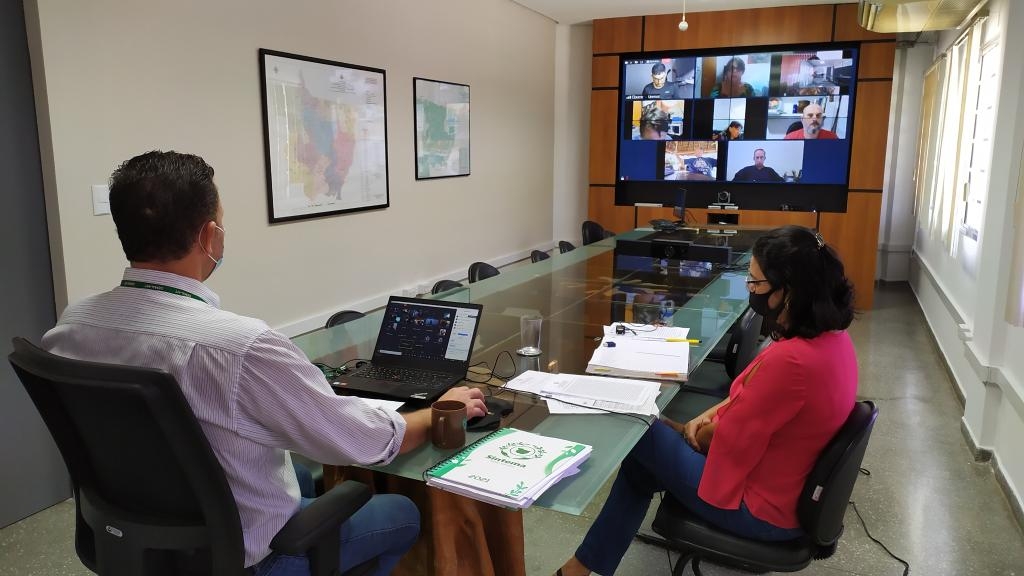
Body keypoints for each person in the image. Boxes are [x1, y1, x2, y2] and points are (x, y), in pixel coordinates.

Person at [41, 151, 488, 576]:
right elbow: (361, 441)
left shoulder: (71, 326)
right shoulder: (242, 348)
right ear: (209, 236)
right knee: (402, 513)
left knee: (298, 474)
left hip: (133, 539)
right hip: (246, 558)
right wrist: (437, 412)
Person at [556, 225, 858, 576]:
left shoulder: (791, 362)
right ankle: (578, 569)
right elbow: (749, 398)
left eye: (756, 283)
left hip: (759, 510)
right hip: (782, 491)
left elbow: (722, 440)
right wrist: (702, 420)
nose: (750, 289)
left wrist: (691, 430)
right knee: (641, 465)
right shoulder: (832, 340)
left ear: (788, 291)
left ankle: (576, 561)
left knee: (636, 427)